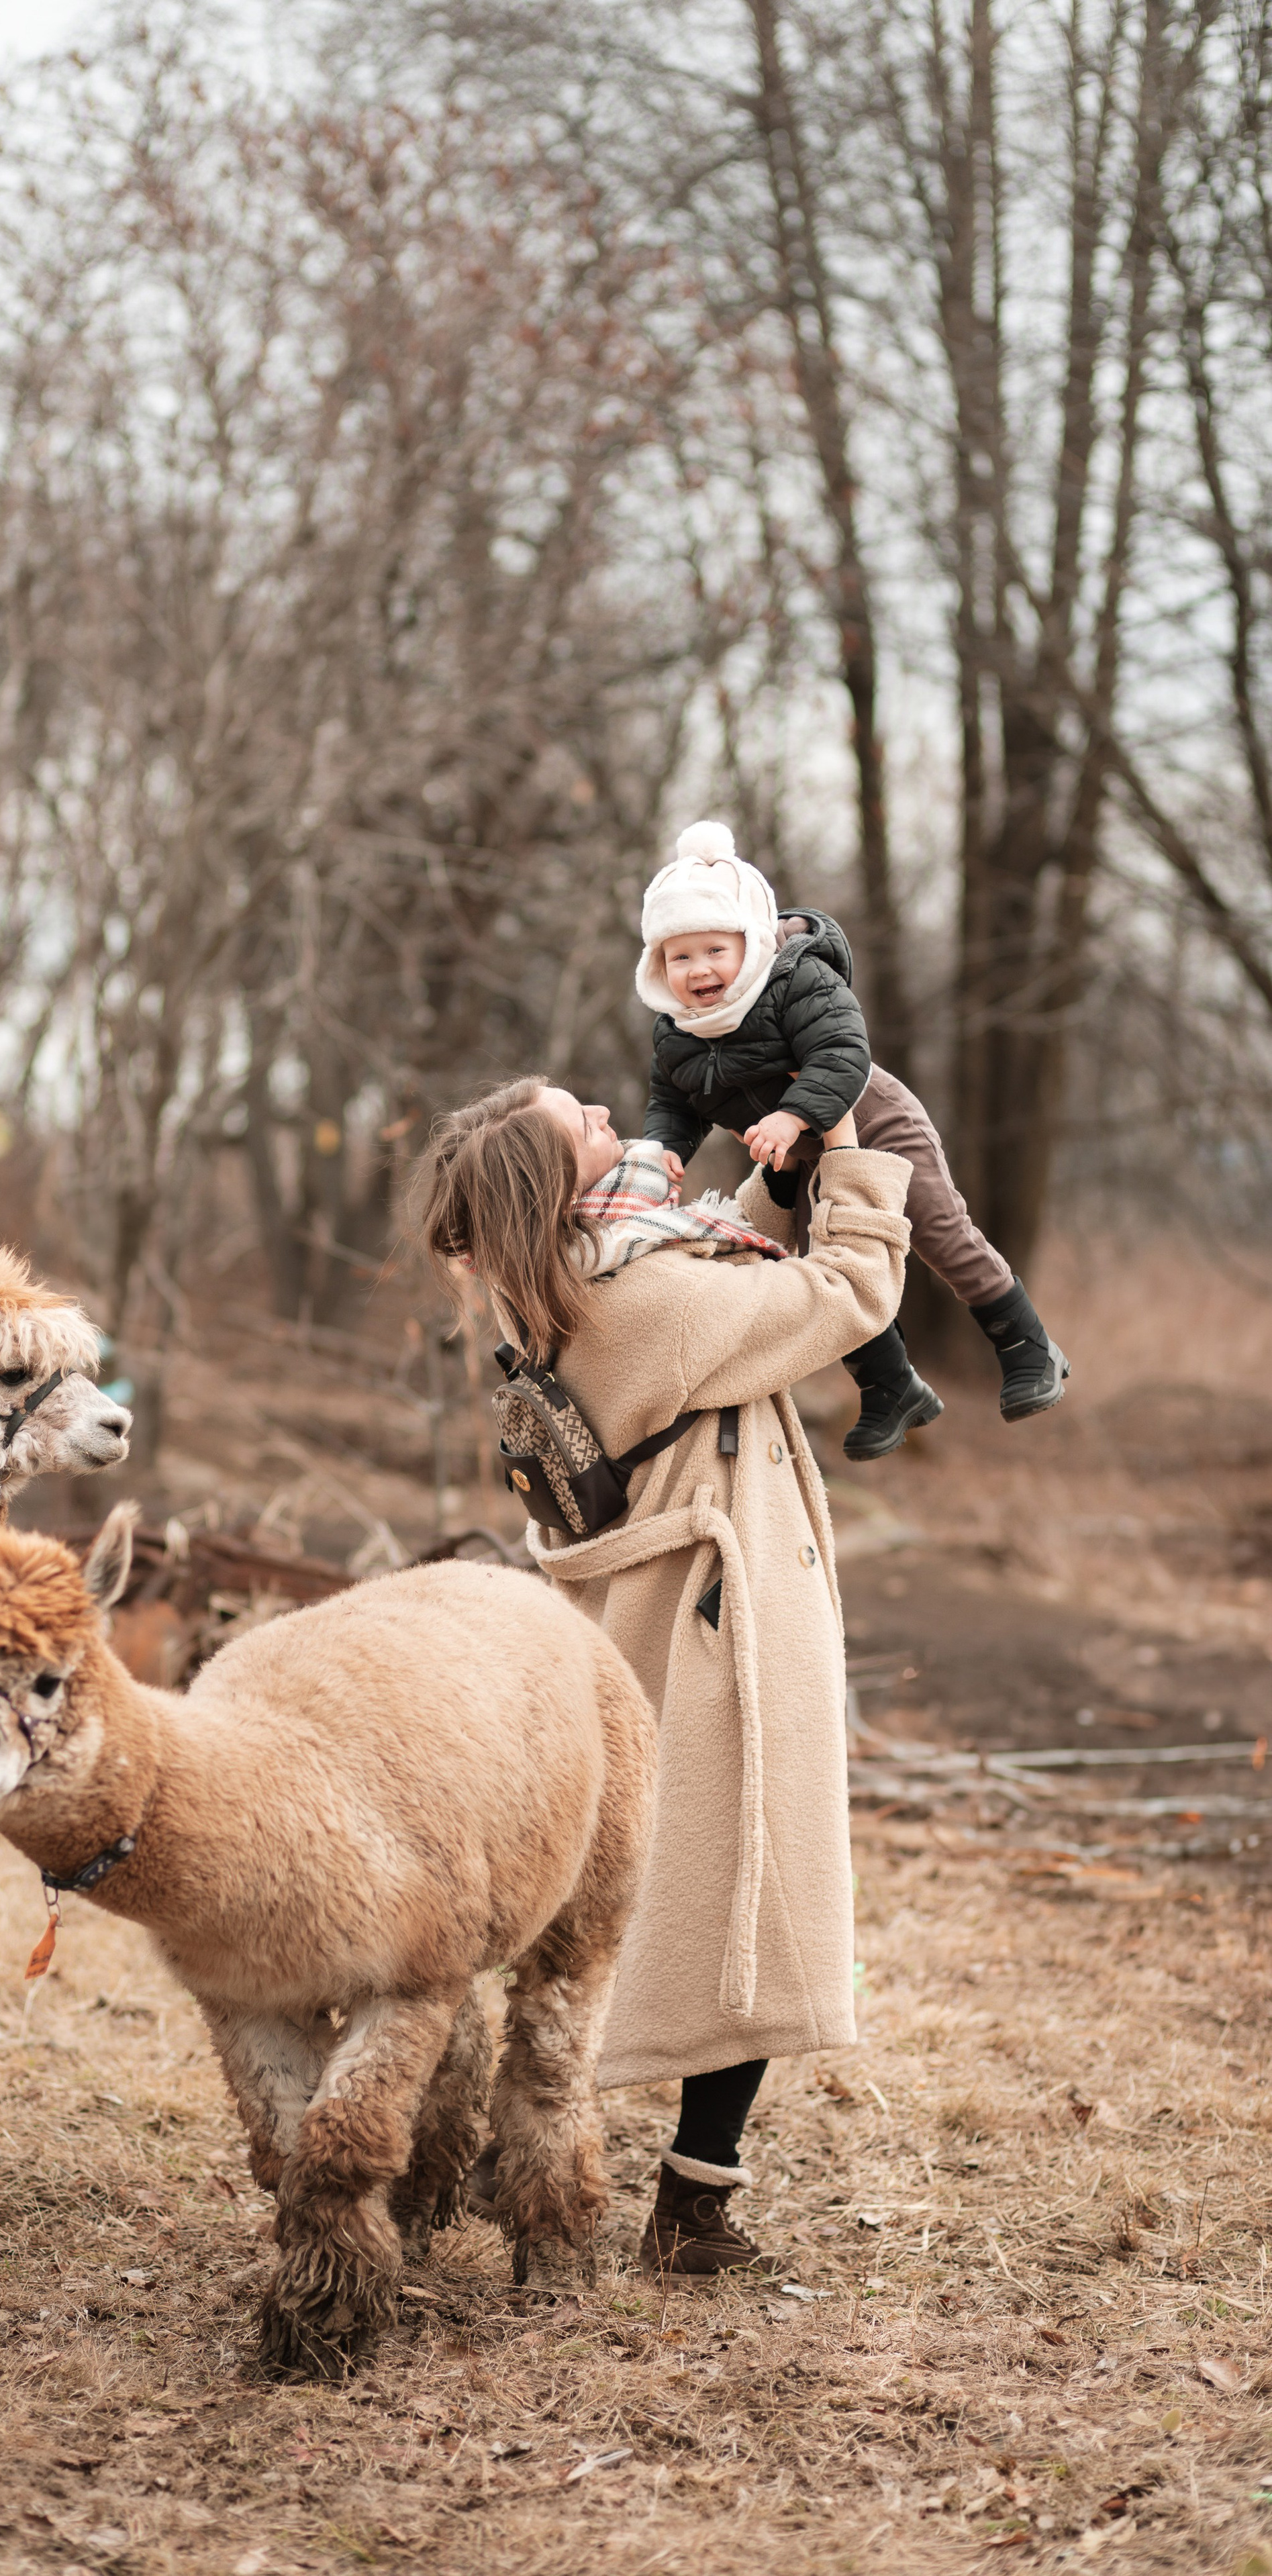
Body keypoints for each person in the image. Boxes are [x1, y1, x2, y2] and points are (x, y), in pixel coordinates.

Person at [418, 1077, 909, 2277]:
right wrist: (848, 1145)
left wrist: (773, 1176)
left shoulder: (580, 1276)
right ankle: (689, 2210)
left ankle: (507, 2148)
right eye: (582, 1124)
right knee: (748, 1883)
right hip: (716, 1623)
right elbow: (846, 1290)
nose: (610, 1117)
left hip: (648, 1610)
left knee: (622, 1898)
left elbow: (720, 1262)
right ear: (561, 1185)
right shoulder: (650, 1299)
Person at [638, 818, 1069, 1459]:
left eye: (715, 951)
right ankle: (891, 1386)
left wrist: (792, 1115)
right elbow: (673, 1101)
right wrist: (664, 1150)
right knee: (828, 1266)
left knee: (937, 1227)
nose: (699, 970)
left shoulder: (795, 981)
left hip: (873, 1118)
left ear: (751, 942)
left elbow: (842, 1053)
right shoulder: (677, 1032)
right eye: (680, 957)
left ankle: (1027, 1345)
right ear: (659, 964)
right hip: (806, 1153)